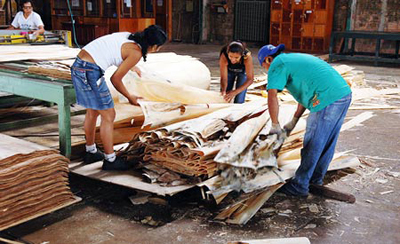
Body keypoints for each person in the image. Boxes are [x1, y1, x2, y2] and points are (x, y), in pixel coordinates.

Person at [258, 44, 352, 197]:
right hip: (342, 94)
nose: (267, 71)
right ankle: (315, 180)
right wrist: (295, 118)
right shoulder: (292, 61)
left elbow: (272, 95)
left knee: (312, 142)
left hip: (326, 98)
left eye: (264, 66)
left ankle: (299, 186)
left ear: (268, 59)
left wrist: (275, 124)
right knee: (326, 142)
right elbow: (305, 93)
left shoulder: (278, 63)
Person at [71, 25, 167, 170]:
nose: (157, 50)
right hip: (90, 71)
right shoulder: (136, 52)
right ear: (153, 46)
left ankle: (90, 152)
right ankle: (110, 160)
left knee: (93, 111)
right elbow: (115, 79)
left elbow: (114, 51)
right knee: (109, 114)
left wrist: (130, 66)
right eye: (158, 47)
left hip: (79, 66)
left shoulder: (129, 36)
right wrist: (130, 97)